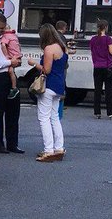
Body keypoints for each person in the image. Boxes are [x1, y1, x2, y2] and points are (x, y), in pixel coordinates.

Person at [29, 24, 68, 162]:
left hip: (49, 86)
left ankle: (48, 150)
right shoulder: (61, 47)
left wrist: (34, 63)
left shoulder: (48, 49)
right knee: (54, 117)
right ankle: (59, 148)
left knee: (43, 118)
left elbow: (46, 69)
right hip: (59, 85)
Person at [0, 13, 23, 155]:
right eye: (0, 28)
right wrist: (10, 62)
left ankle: (13, 143)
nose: (3, 30)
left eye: (4, 27)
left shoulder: (1, 38)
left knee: (13, 111)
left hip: (8, 73)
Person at [89, 19, 112, 119]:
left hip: (97, 66)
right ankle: (110, 112)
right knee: (108, 91)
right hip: (107, 67)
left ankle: (97, 112)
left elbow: (92, 51)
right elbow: (111, 52)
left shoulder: (93, 39)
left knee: (97, 90)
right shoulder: (108, 39)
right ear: (106, 27)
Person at [0, 21, 22, 100]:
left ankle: (14, 88)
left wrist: (6, 56)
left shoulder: (5, 36)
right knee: (12, 70)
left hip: (12, 58)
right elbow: (19, 46)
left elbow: (3, 45)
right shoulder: (14, 35)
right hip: (18, 56)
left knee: (10, 71)